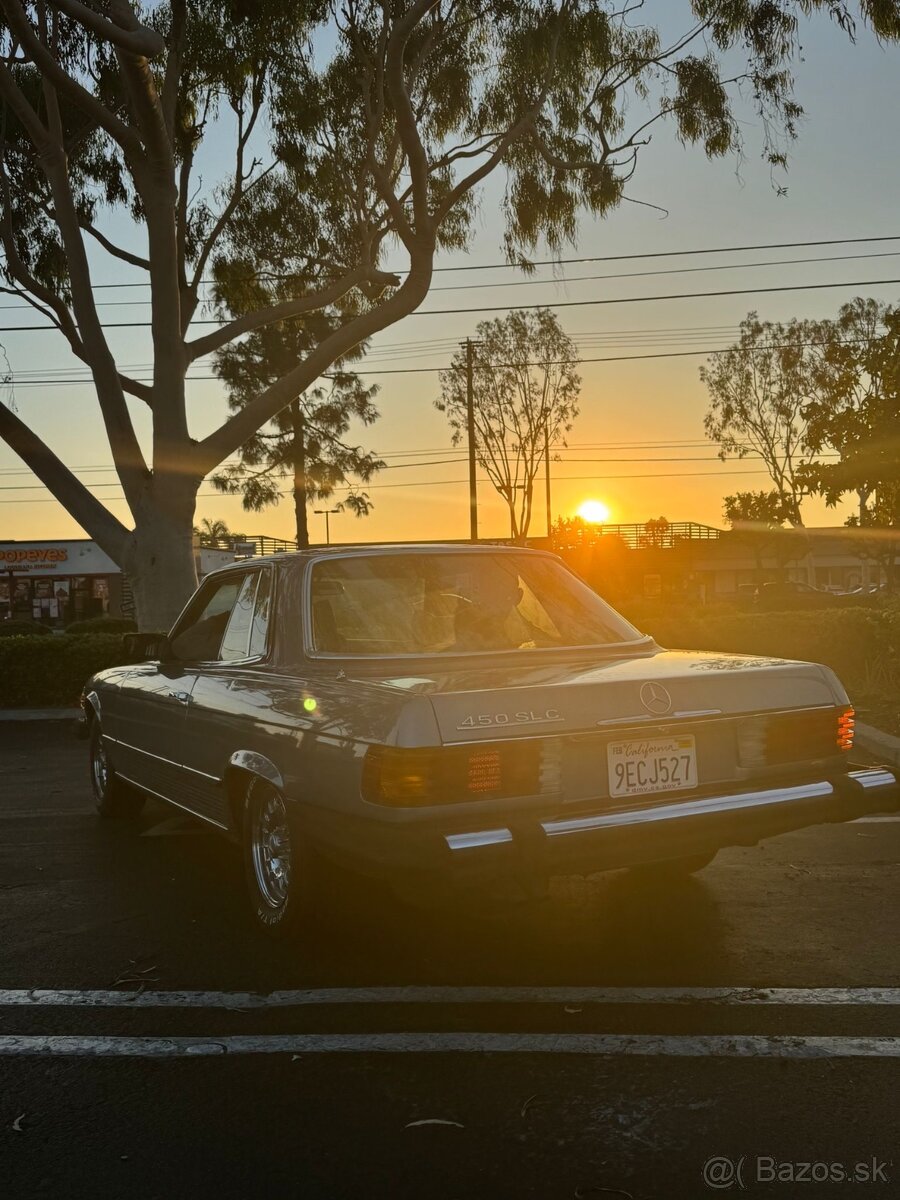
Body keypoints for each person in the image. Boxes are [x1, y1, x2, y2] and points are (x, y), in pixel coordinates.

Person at [453, 566, 547, 651]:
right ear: (477, 594)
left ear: (518, 596)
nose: (496, 603)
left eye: (505, 595)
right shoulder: (466, 625)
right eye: (489, 593)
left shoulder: (536, 636)